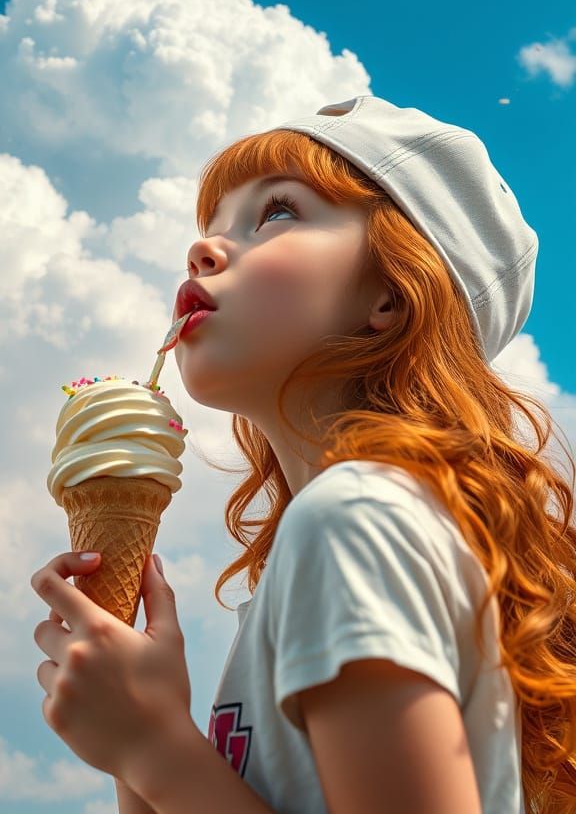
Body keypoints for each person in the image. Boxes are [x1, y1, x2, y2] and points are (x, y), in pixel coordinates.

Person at [32, 95, 576, 813]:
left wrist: (154, 747)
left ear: (389, 293)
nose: (204, 248)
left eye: (277, 212)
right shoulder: (321, 551)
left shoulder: (353, 520)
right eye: (211, 226)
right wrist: (134, 743)